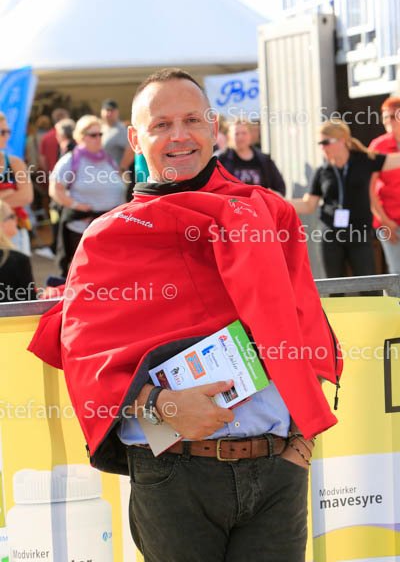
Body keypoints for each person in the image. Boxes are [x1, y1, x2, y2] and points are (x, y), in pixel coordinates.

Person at [29, 69, 343, 562]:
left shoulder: (268, 213)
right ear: (135, 138)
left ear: (213, 128)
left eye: (192, 120)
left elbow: (306, 326)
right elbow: (87, 358)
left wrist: (298, 450)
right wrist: (163, 405)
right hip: (172, 476)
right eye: (161, 124)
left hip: (276, 471)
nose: (179, 135)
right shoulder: (109, 237)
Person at [291, 119, 400, 279]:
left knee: (368, 284)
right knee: (335, 285)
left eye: (326, 142)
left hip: (359, 234)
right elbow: (308, 205)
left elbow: (395, 160)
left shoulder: (364, 160)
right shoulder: (322, 171)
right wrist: (277, 201)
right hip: (331, 236)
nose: (322, 147)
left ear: (342, 140)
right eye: (319, 143)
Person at [49, 114, 126, 276]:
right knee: (87, 274)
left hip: (111, 229)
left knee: (110, 274)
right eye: (93, 135)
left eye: (100, 134)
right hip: (82, 229)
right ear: (81, 136)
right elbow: (55, 189)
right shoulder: (71, 160)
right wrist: (76, 205)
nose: (98, 138)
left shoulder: (108, 159)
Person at [369, 97, 400, 273]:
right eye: (385, 117)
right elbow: (369, 188)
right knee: (397, 275)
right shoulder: (378, 146)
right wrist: (385, 221)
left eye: (393, 116)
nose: (388, 121)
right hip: (390, 221)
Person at [219, 120, 286, 195]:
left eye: (244, 133)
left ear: (250, 135)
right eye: (236, 134)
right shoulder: (221, 160)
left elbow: (280, 188)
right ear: (229, 136)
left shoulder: (264, 160)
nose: (240, 137)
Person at [0, 111, 34, 256]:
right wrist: (7, 194)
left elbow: (26, 197)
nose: (7, 136)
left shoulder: (15, 163)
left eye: (8, 132)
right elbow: (19, 197)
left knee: (17, 269)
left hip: (13, 233)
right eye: (2, 132)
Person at [0, 201, 36, 302]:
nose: (17, 219)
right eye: (12, 216)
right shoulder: (18, 260)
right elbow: (31, 302)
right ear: (1, 223)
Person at [100, 98, 134, 171]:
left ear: (117, 112)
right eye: (107, 110)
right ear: (102, 112)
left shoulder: (120, 129)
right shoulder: (101, 127)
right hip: (100, 172)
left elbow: (131, 149)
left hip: (113, 173)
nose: (109, 113)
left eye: (112, 111)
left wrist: (122, 168)